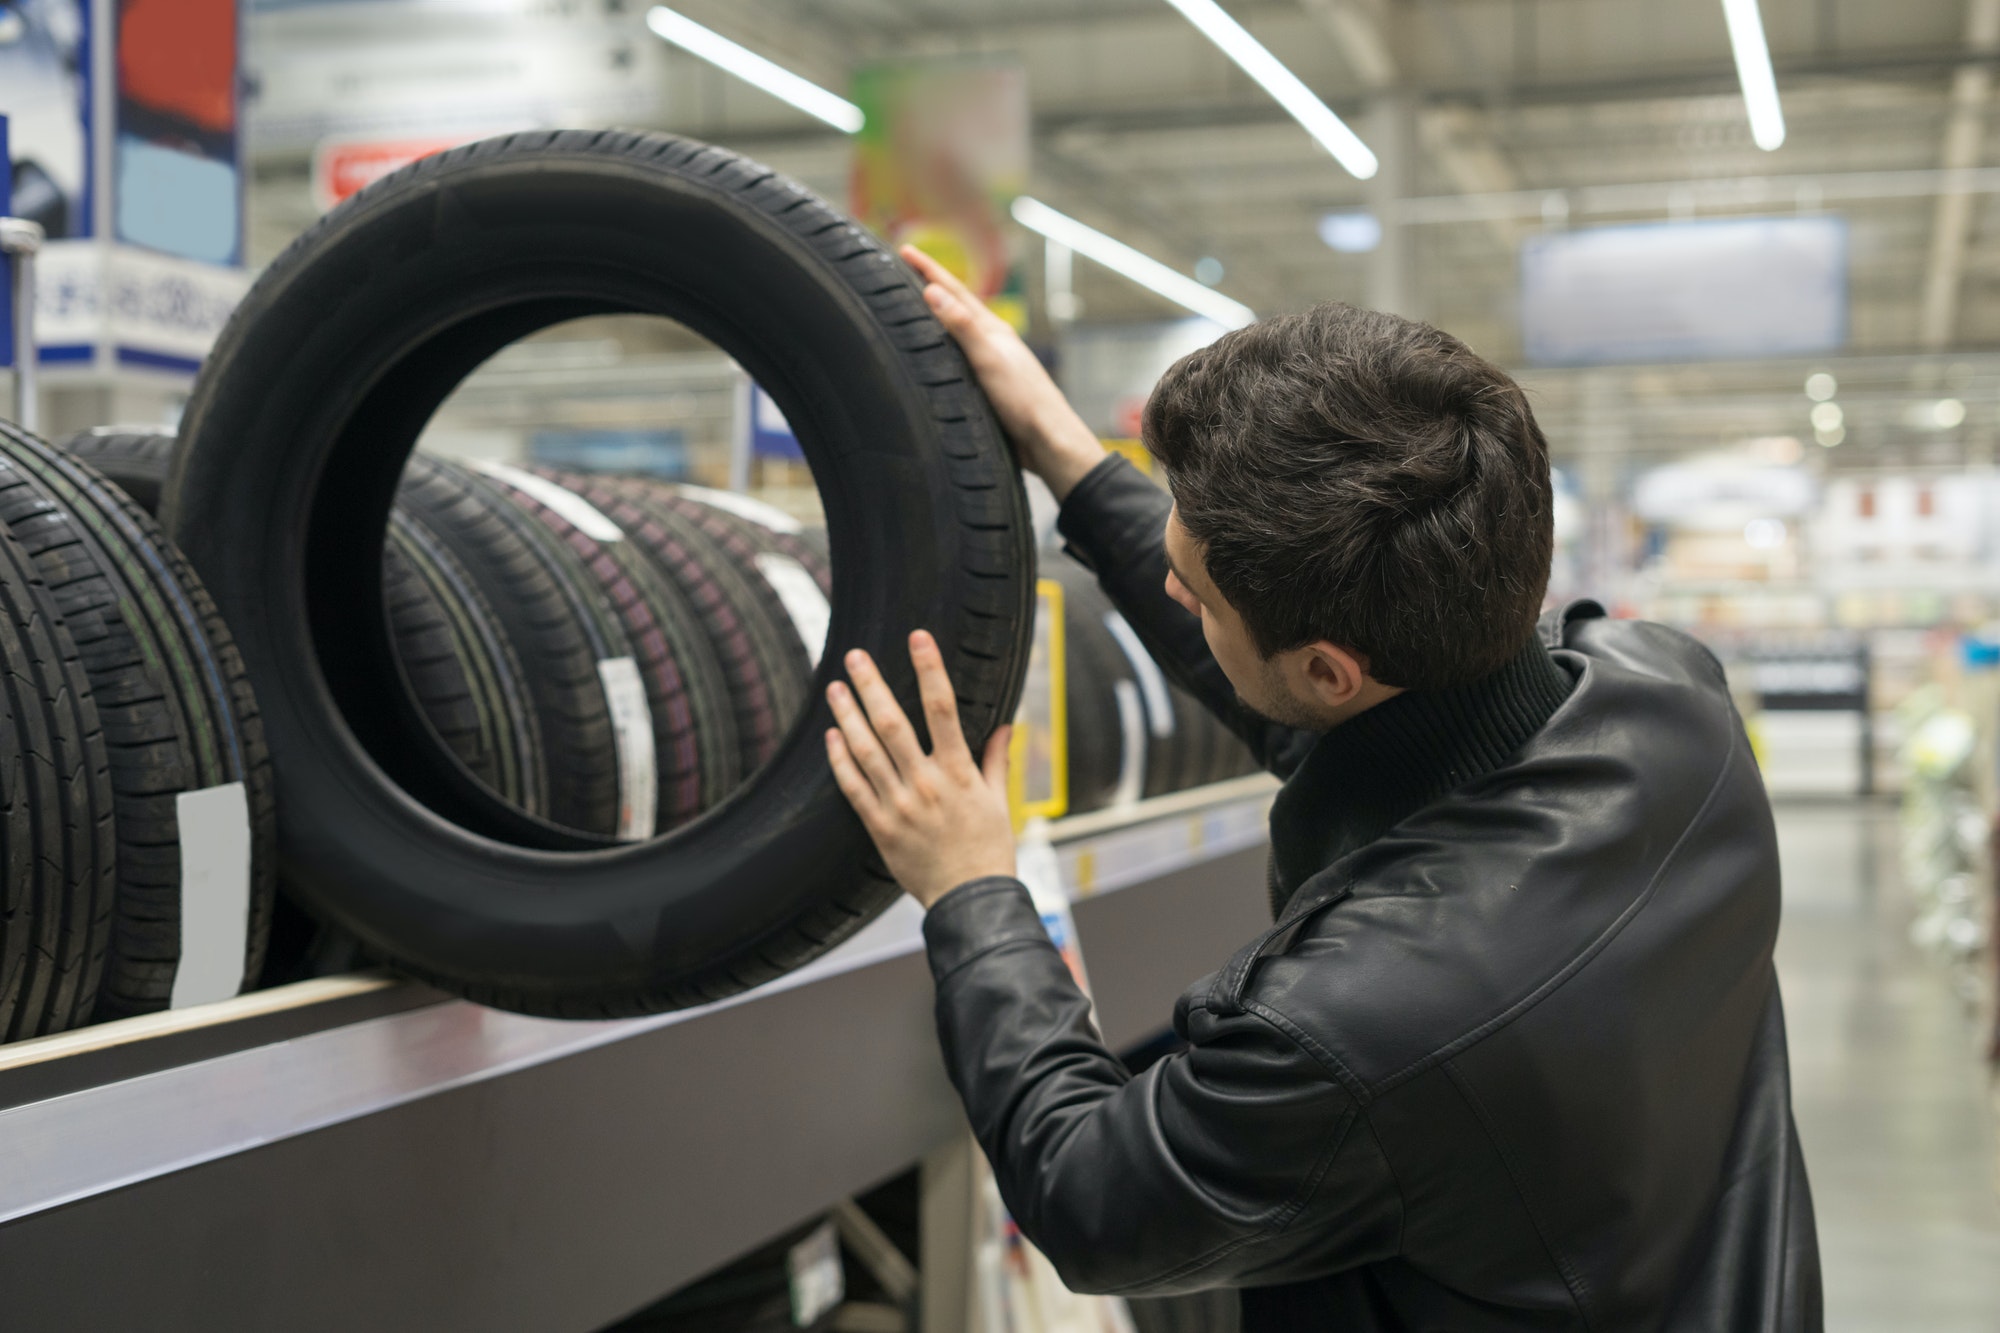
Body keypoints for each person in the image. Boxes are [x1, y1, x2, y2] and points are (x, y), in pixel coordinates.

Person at [821, 245, 1823, 1331]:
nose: (1169, 583)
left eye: (1192, 587)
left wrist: (976, 892)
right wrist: (1068, 458)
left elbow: (1089, 1196)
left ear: (1329, 670)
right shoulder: (1672, 699)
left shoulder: (1347, 1027)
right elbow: (1344, 724)